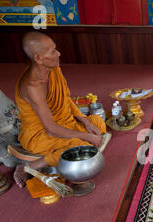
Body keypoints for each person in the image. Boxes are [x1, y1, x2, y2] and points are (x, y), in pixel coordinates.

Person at [13, 31, 109, 188]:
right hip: (40, 134)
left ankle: (81, 139)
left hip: (64, 123)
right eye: (52, 51)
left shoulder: (52, 68)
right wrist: (88, 137)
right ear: (38, 58)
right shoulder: (32, 86)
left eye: (55, 49)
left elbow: (66, 99)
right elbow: (50, 129)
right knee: (80, 146)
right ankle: (29, 166)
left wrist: (86, 122)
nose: (59, 53)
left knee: (97, 123)